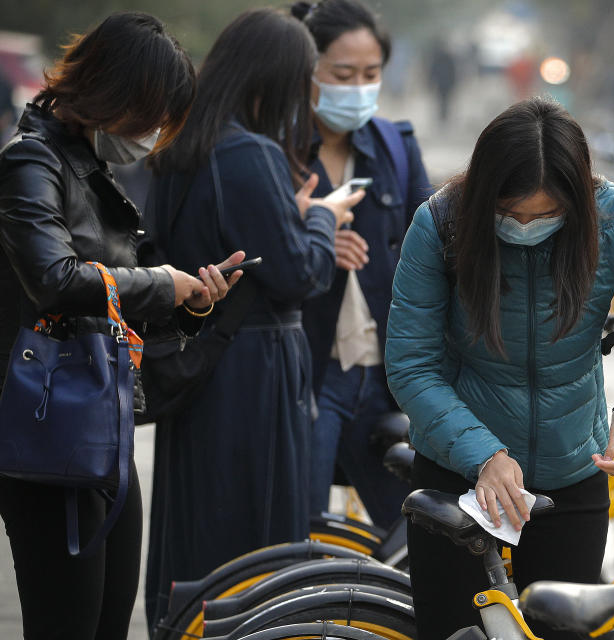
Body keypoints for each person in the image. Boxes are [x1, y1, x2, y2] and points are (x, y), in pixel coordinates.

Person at [385, 97, 614, 639]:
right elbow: (411, 365)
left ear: (577, 202)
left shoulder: (613, 217)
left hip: (573, 481)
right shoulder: (442, 222)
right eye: (509, 214)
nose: (526, 226)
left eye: (547, 215)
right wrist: (483, 454)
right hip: (461, 481)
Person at [0, 13, 241, 639]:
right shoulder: (31, 164)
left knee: (110, 620)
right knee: (67, 624)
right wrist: (162, 281)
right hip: (50, 422)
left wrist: (191, 302)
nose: (152, 134)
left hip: (99, 419)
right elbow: (53, 279)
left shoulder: (89, 166)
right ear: (109, 94)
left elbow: (107, 305)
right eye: (148, 116)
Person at [143, 9, 359, 630]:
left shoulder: (179, 148)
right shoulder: (252, 153)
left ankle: (188, 623)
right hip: (258, 368)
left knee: (198, 522)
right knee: (260, 533)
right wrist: (322, 216)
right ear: (274, 80)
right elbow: (300, 274)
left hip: (201, 360)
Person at [291, 0, 432, 529]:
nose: (357, 87)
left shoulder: (394, 148)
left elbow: (436, 246)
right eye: (342, 74)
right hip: (310, 372)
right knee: (299, 532)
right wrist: (313, 235)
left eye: (370, 74)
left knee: (414, 531)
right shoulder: (274, 152)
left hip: (385, 375)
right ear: (307, 71)